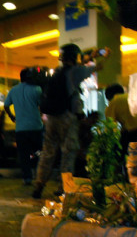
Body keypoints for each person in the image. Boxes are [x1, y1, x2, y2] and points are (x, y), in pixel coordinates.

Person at [32, 44, 110, 199]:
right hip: (67, 117)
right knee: (68, 153)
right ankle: (64, 188)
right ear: (75, 57)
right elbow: (97, 68)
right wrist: (104, 56)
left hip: (52, 118)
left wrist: (89, 56)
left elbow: (77, 68)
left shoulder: (58, 72)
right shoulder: (75, 72)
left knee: (48, 152)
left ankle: (39, 185)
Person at [4, 68, 43, 185]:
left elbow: (6, 105)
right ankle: (39, 174)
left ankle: (27, 178)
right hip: (36, 126)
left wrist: (12, 116)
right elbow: (42, 105)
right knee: (39, 151)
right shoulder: (37, 89)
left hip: (20, 128)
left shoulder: (13, 90)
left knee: (24, 154)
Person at [104, 83, 137, 156]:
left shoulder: (113, 103)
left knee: (119, 152)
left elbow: (110, 127)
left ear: (108, 97)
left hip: (135, 132)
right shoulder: (132, 96)